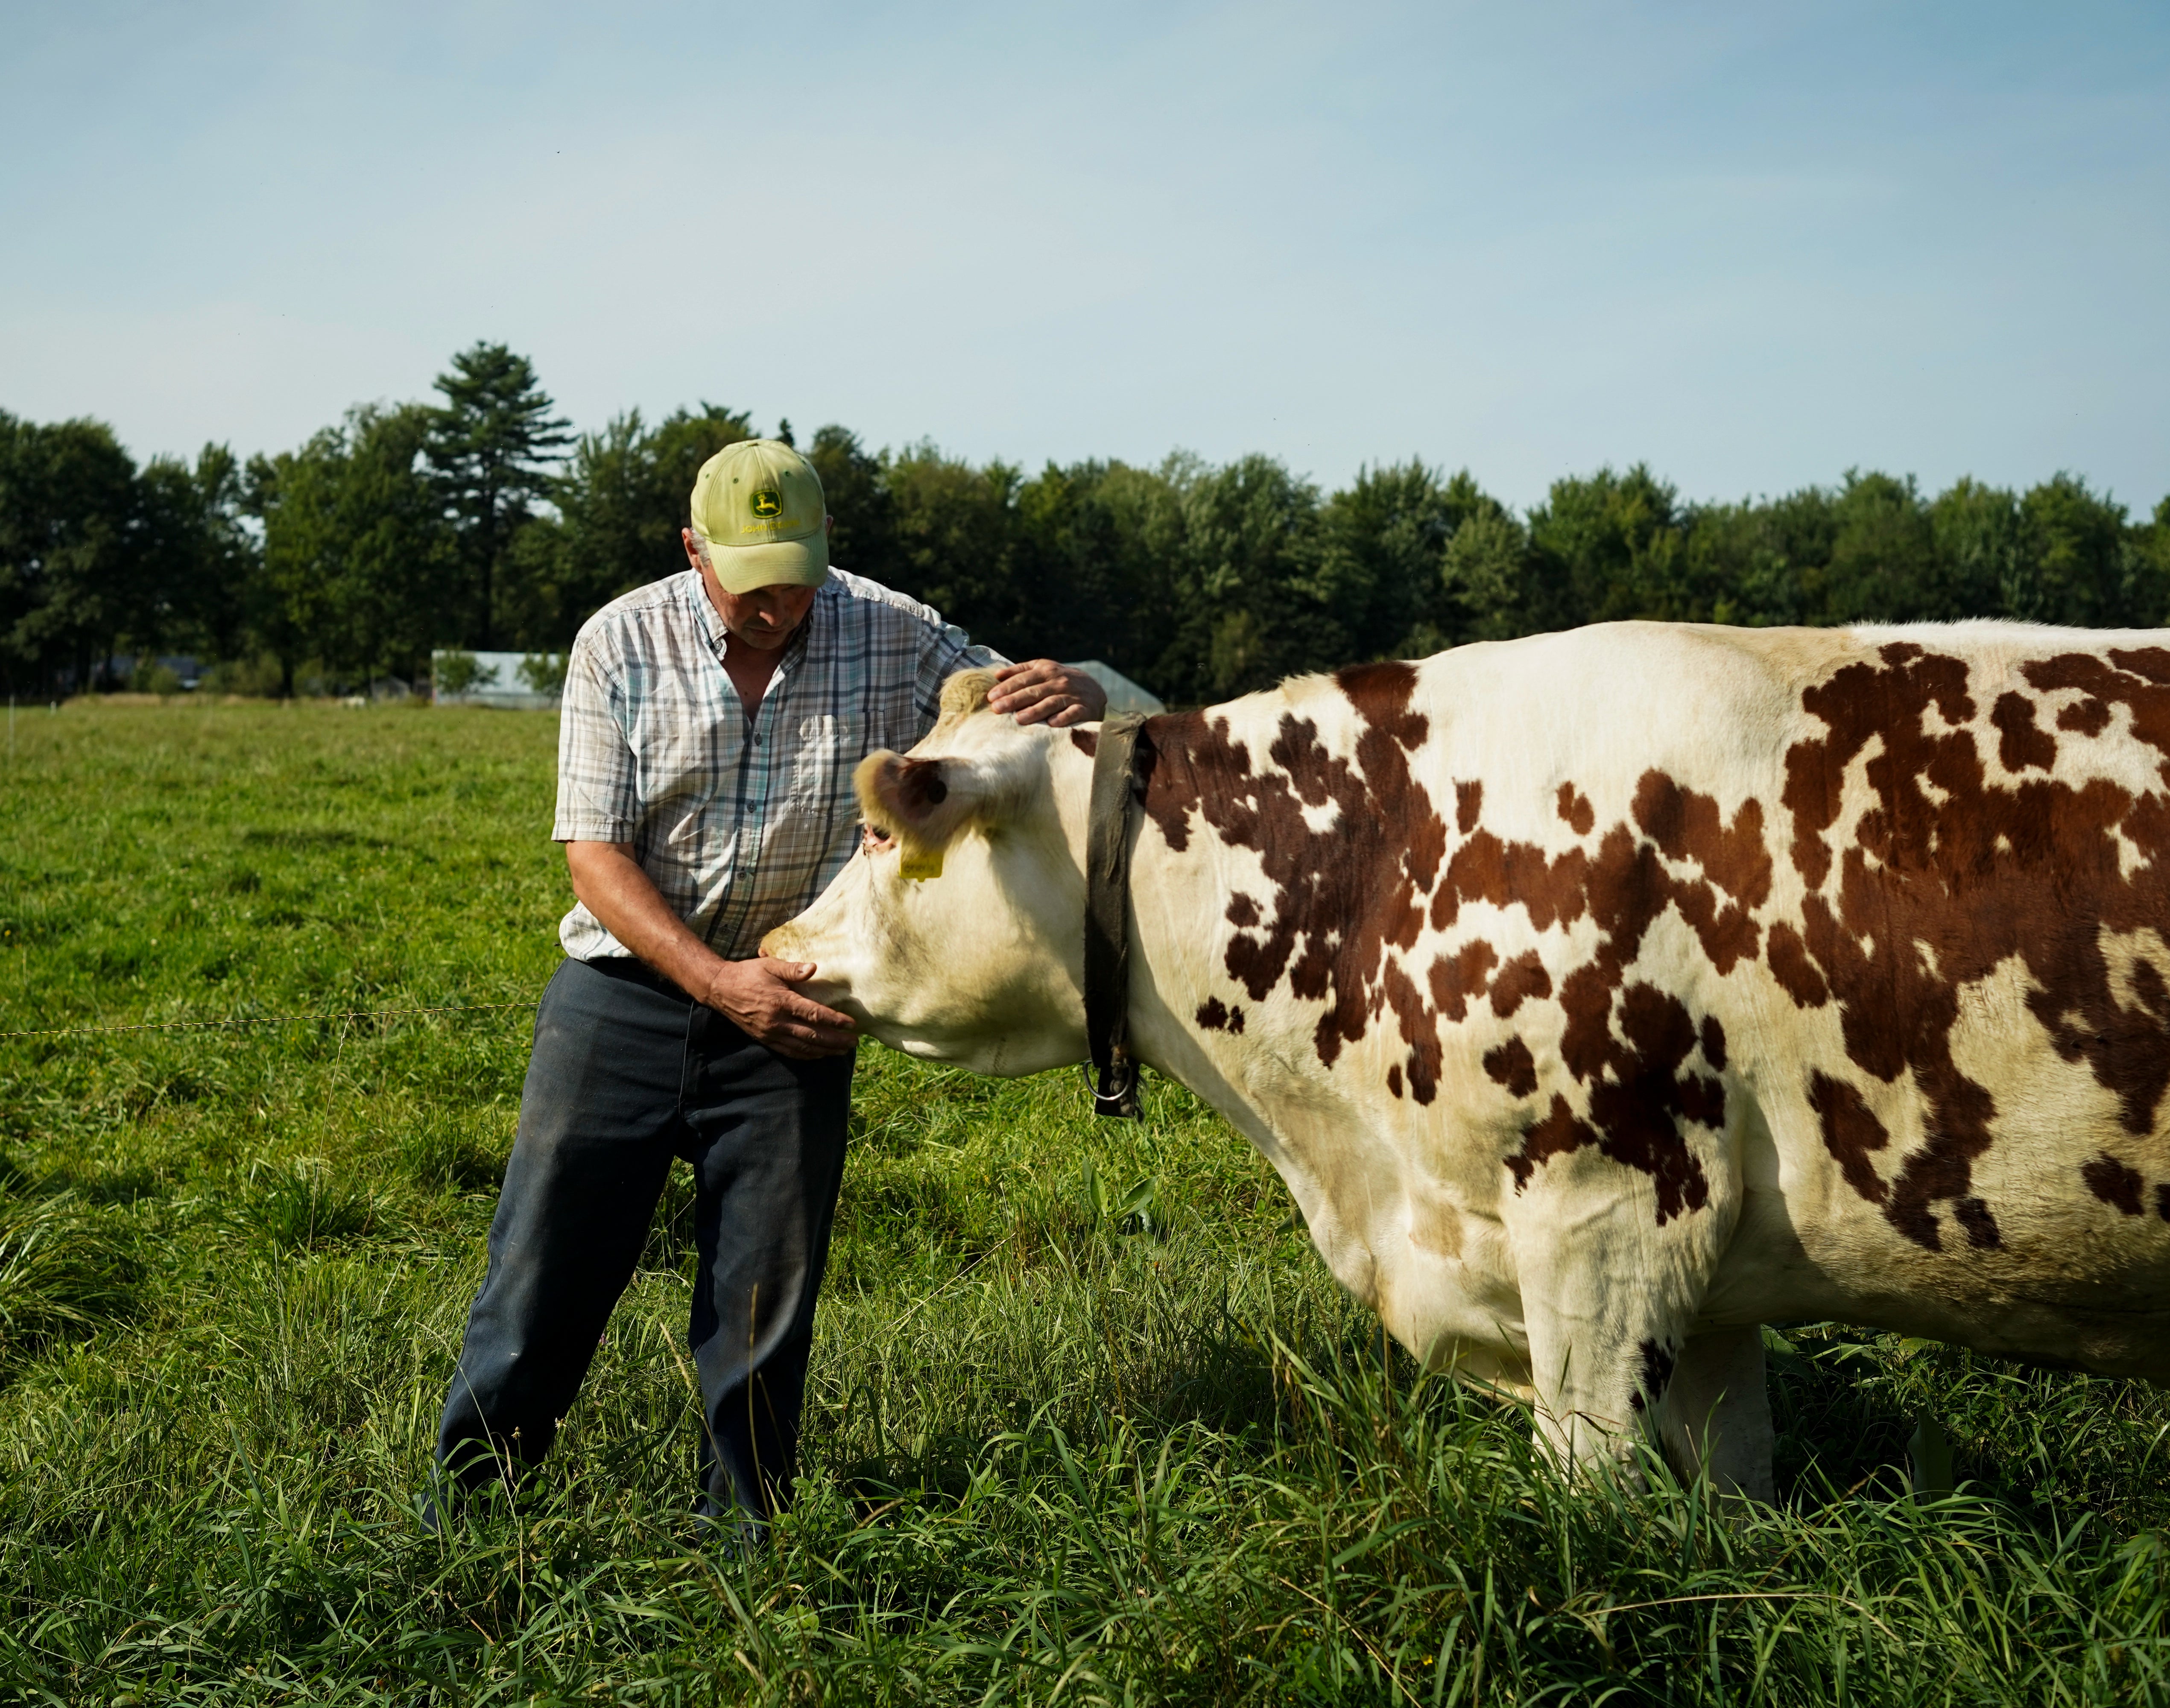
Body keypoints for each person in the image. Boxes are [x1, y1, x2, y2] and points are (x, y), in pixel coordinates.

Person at [432, 438, 1105, 1534]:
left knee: (764, 1300)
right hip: (624, 994)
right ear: (694, 550)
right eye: (750, 578)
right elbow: (595, 856)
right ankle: (464, 1516)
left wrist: (1071, 685)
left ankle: (747, 1538)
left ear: (828, 546)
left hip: (791, 1008)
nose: (777, 602)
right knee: (542, 1273)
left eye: (797, 572)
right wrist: (712, 980)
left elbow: (1010, 705)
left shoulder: (893, 629)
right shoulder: (618, 642)